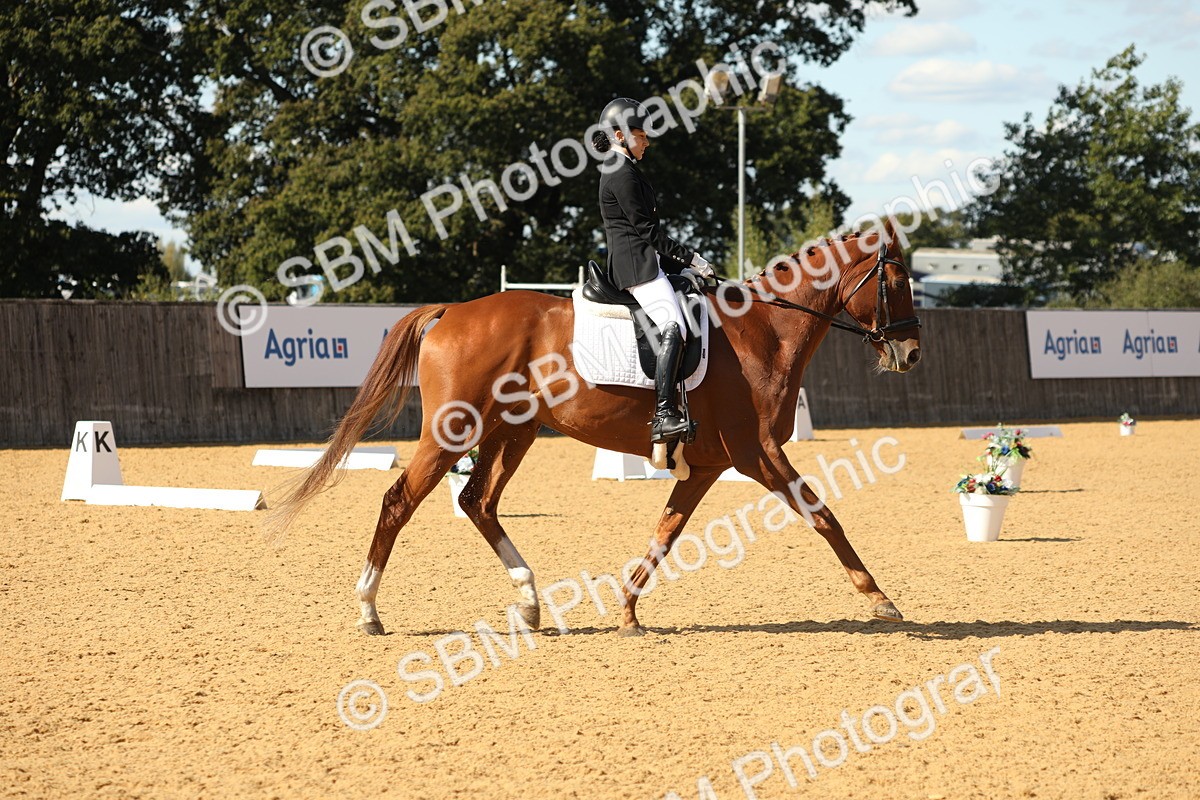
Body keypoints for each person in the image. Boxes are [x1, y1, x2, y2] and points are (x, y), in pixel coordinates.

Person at [592, 97, 715, 444]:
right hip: (637, 270)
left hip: (647, 263)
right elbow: (648, 233)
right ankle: (663, 414)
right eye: (640, 135)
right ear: (620, 135)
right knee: (674, 325)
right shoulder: (619, 172)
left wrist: (682, 269)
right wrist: (693, 260)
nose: (646, 141)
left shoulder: (627, 168)